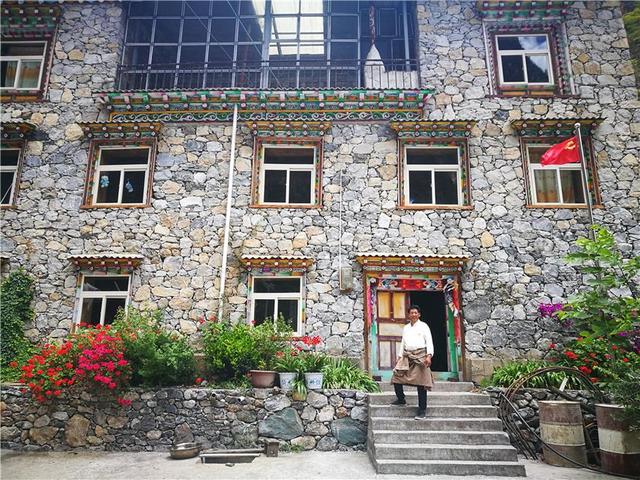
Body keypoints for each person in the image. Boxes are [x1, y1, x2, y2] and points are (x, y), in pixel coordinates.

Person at [390, 304, 434, 419]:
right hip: (407, 356)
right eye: (411, 313)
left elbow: (429, 342)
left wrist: (429, 356)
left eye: (415, 313)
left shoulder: (424, 326)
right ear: (408, 315)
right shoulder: (406, 328)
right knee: (396, 377)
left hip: (421, 356)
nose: (413, 314)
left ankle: (422, 410)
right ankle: (401, 399)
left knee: (422, 384)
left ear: (419, 314)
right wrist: (399, 356)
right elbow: (403, 343)